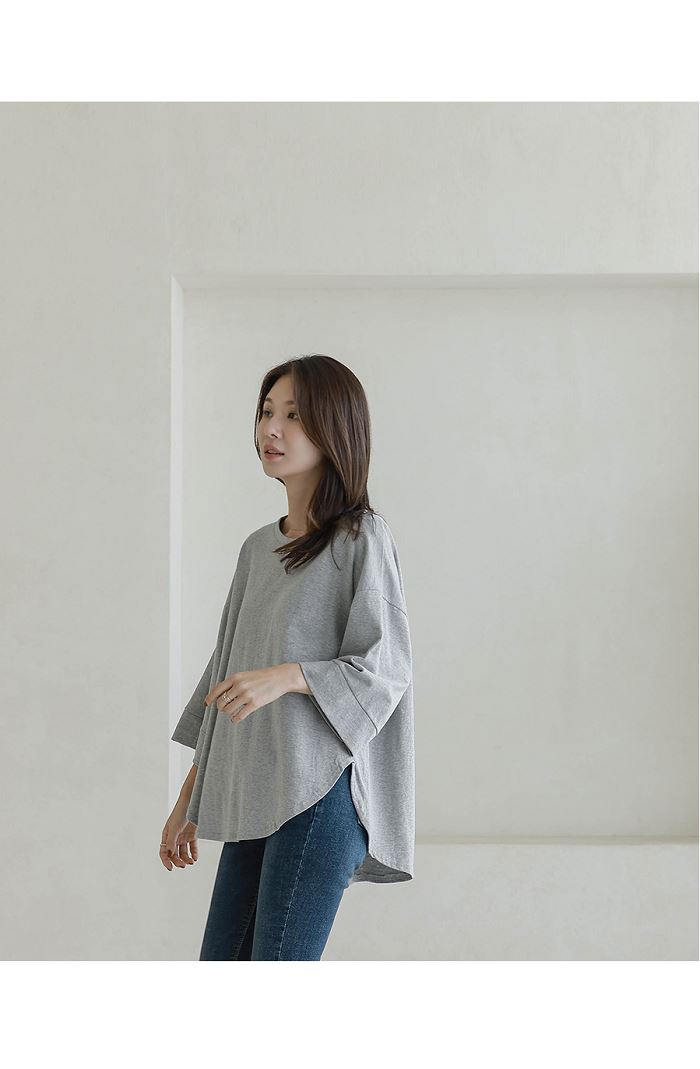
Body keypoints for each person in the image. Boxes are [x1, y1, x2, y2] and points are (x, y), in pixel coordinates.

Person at [160, 353, 415, 960]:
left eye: (294, 415)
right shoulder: (258, 550)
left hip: (322, 793)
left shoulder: (361, 538)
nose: (270, 429)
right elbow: (226, 679)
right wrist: (190, 798)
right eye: (267, 412)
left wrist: (291, 676)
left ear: (336, 429)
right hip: (255, 793)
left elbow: (385, 669)